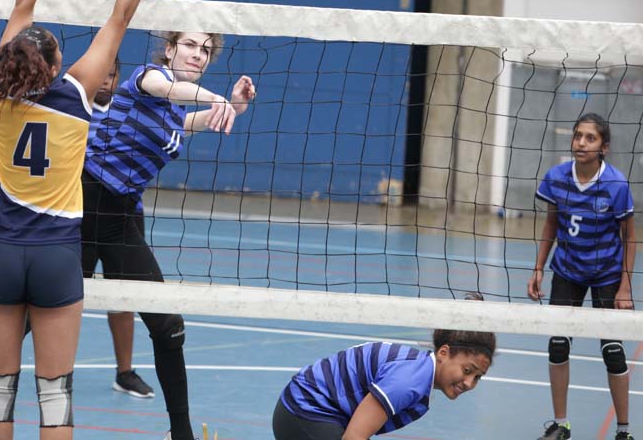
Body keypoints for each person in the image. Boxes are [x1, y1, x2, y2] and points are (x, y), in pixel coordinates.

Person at [0, 0, 197, 440]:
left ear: (9, 61)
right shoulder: (77, 93)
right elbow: (121, 14)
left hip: (2, 252)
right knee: (55, 397)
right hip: (58, 255)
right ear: (58, 63)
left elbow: (22, 7)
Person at [81, 30, 257, 440]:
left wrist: (234, 107)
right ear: (171, 48)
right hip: (81, 206)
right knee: (43, 313)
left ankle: (181, 434)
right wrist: (213, 97)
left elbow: (191, 121)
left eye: (206, 51)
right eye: (192, 45)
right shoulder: (147, 77)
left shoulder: (174, 113)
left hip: (121, 216)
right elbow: (166, 87)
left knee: (168, 326)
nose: (199, 54)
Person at [527, 113, 636, 440]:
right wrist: (538, 268)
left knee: (613, 352)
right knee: (558, 346)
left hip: (606, 274)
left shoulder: (616, 184)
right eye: (578, 136)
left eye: (590, 138)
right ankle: (561, 424)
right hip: (568, 270)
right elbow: (550, 224)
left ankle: (623, 431)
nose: (581, 143)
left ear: (604, 146)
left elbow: (630, 237)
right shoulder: (557, 177)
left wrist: (625, 286)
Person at [273, 326, 496, 440]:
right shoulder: (410, 382)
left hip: (310, 413)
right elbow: (354, 437)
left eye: (477, 377)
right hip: (304, 414)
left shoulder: (419, 371)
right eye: (467, 370)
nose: (469, 382)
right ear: (443, 352)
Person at [84, 58, 155, 398]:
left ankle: (124, 373)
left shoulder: (129, 113)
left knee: (123, 295)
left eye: (110, 74)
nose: (103, 80)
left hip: (125, 218)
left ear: (118, 79)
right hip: (79, 215)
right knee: (61, 296)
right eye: (99, 73)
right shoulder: (73, 110)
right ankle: (56, 372)